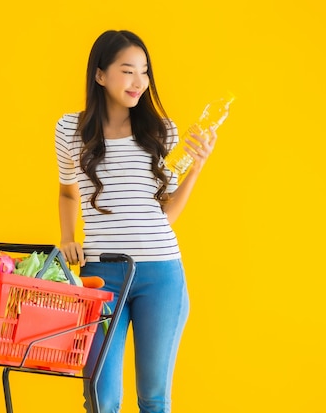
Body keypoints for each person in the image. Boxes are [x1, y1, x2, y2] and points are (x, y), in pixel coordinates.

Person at [54, 30, 216, 413]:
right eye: (127, 70)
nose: (139, 81)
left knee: (154, 398)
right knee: (101, 397)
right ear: (100, 75)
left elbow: (167, 214)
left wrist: (197, 167)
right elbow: (66, 192)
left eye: (144, 72)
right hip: (100, 277)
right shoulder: (70, 129)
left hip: (161, 275)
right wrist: (66, 237)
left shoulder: (163, 132)